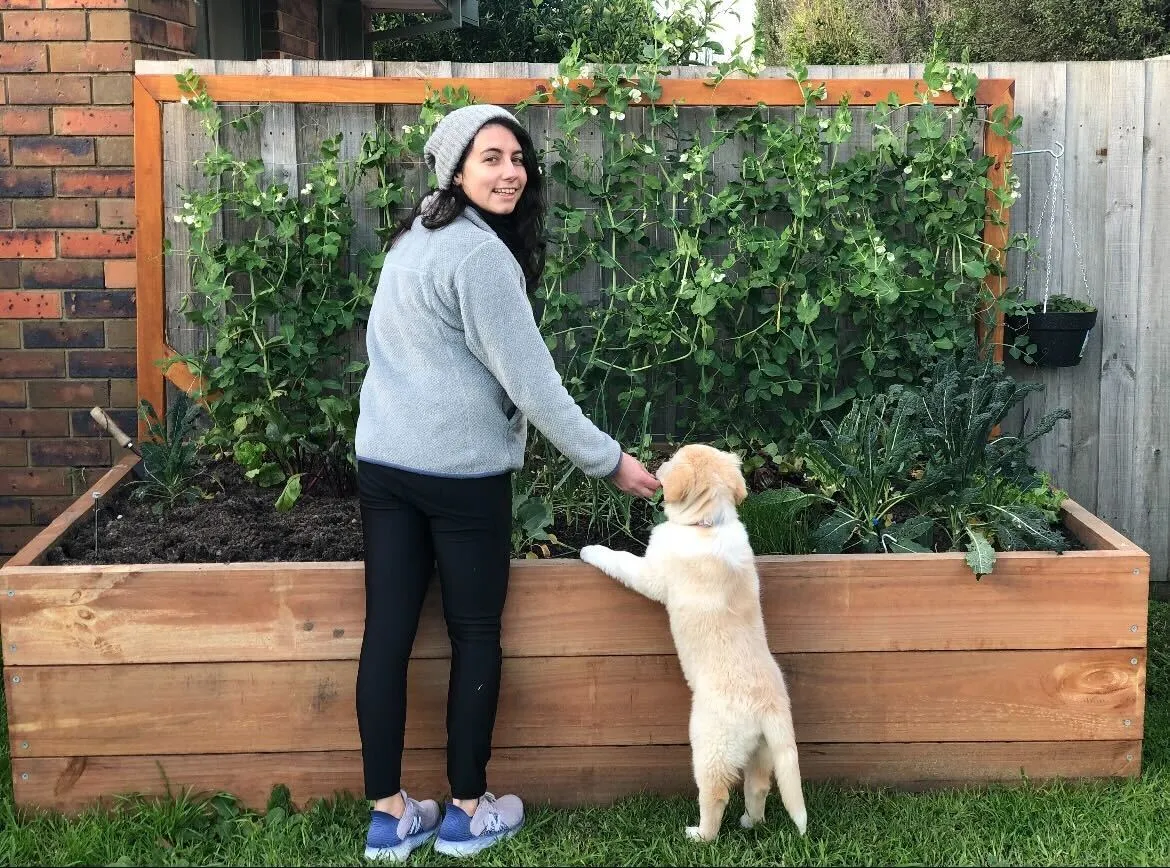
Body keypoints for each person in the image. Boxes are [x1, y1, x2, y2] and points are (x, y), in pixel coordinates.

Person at [354, 103, 661, 861]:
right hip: (462, 477)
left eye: (517, 158)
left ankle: (390, 815)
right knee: (475, 633)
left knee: (386, 635)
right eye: (491, 158)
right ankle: (465, 810)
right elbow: (536, 387)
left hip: (385, 466)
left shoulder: (414, 240)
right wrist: (611, 462)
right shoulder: (479, 256)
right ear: (457, 169)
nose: (510, 172)